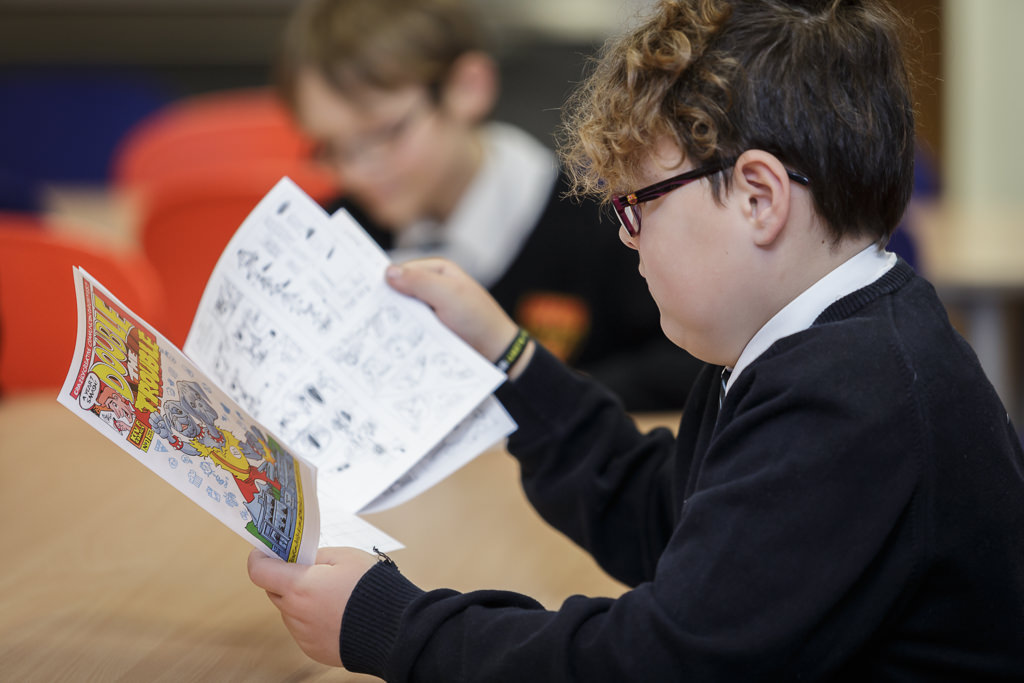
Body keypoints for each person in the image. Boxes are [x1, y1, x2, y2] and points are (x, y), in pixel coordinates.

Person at [249, 0, 1024, 679]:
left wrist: (392, 625)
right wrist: (511, 358)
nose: (628, 239)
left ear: (759, 197)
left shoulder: (853, 397)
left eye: (637, 206)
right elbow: (669, 517)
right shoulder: (812, 342)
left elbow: (658, 660)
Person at [274, 0, 703, 411]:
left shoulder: (606, 222)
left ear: (468, 87)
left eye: (382, 134)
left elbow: (690, 365)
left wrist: (547, 394)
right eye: (332, 147)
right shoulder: (329, 234)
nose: (356, 171)